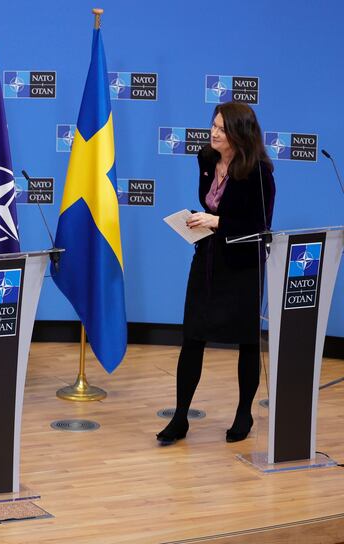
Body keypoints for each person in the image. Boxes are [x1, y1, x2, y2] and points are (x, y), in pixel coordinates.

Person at [157, 103, 276, 446]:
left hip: (242, 266)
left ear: (240, 133)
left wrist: (217, 221)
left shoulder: (259, 172)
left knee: (247, 340)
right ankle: (180, 418)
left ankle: (244, 413)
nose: (214, 133)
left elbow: (259, 225)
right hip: (208, 258)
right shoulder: (207, 159)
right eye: (213, 125)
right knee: (193, 336)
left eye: (222, 129)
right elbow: (212, 205)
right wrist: (200, 218)